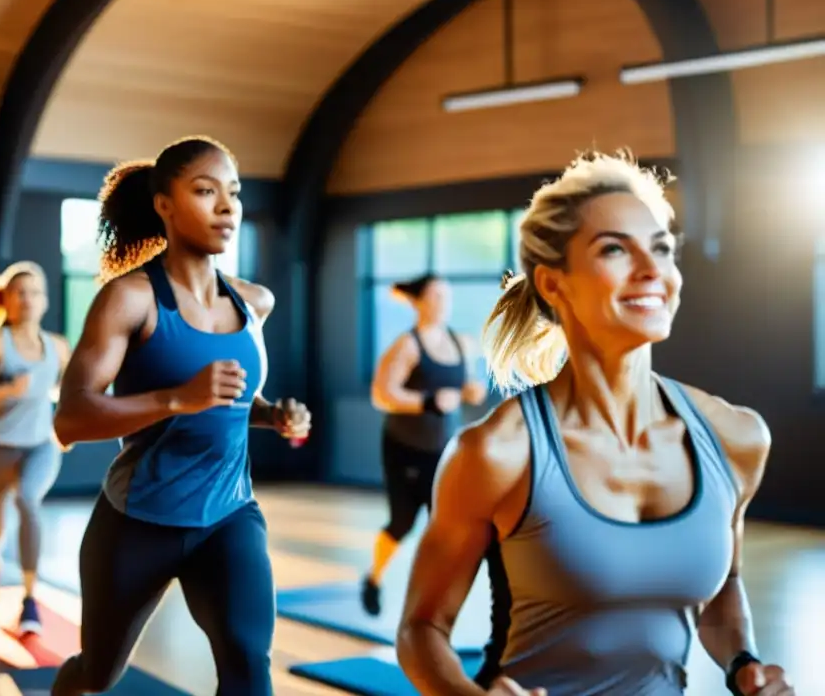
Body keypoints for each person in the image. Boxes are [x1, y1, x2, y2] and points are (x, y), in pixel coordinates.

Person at [397, 150, 795, 696]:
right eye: (615, 250)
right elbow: (422, 630)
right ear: (554, 285)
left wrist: (743, 665)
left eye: (661, 249)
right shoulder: (497, 453)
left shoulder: (735, 438)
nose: (653, 271)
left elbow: (724, 589)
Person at [49, 136, 311, 696]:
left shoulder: (252, 302)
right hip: (137, 521)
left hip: (229, 516)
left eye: (234, 194)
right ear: (164, 204)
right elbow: (70, 419)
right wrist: (176, 399)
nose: (226, 207)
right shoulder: (131, 300)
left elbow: (236, 402)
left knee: (247, 666)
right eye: (205, 191)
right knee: (97, 672)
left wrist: (273, 414)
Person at [361, 273, 487, 616]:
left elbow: (465, 387)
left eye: (446, 296)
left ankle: (430, 603)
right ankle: (373, 578)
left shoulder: (462, 343)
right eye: (434, 296)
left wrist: (471, 392)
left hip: (444, 450)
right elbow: (381, 394)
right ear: (417, 302)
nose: (441, 303)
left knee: (445, 525)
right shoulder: (408, 345)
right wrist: (426, 402)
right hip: (404, 447)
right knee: (402, 523)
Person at [0, 261, 71, 636]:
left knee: (28, 501)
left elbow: (75, 394)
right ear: (6, 301)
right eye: (19, 292)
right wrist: (8, 389)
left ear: (45, 300)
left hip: (40, 447)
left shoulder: (57, 347)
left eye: (35, 292)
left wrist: (68, 430)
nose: (28, 299)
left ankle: (29, 598)